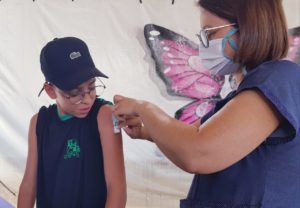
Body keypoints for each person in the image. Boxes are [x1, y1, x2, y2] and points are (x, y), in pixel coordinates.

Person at [113, 0, 300, 207]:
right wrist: (149, 132)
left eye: (210, 33)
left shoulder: (278, 79)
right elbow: (192, 133)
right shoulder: (241, 95)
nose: (205, 45)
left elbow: (196, 152)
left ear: (249, 26)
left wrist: (143, 108)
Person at [18, 37, 126, 208]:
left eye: (92, 87)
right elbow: (29, 185)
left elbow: (117, 188)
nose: (87, 99)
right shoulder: (39, 123)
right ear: (50, 90)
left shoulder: (105, 115)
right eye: (75, 93)